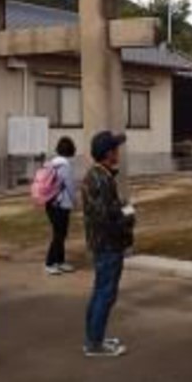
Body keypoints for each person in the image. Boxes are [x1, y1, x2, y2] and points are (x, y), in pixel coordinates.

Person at [81, 131, 134, 358]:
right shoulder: (101, 179)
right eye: (115, 148)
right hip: (109, 244)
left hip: (101, 243)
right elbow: (106, 217)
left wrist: (121, 208)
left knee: (100, 291)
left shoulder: (97, 175)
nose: (118, 152)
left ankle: (95, 336)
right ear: (108, 153)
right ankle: (95, 343)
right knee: (105, 293)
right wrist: (128, 216)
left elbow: (105, 211)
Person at [44, 136, 77, 276]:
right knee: (59, 234)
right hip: (61, 205)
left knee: (60, 234)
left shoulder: (52, 163)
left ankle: (60, 261)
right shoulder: (65, 166)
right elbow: (69, 186)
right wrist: (76, 201)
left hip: (50, 203)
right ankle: (50, 263)